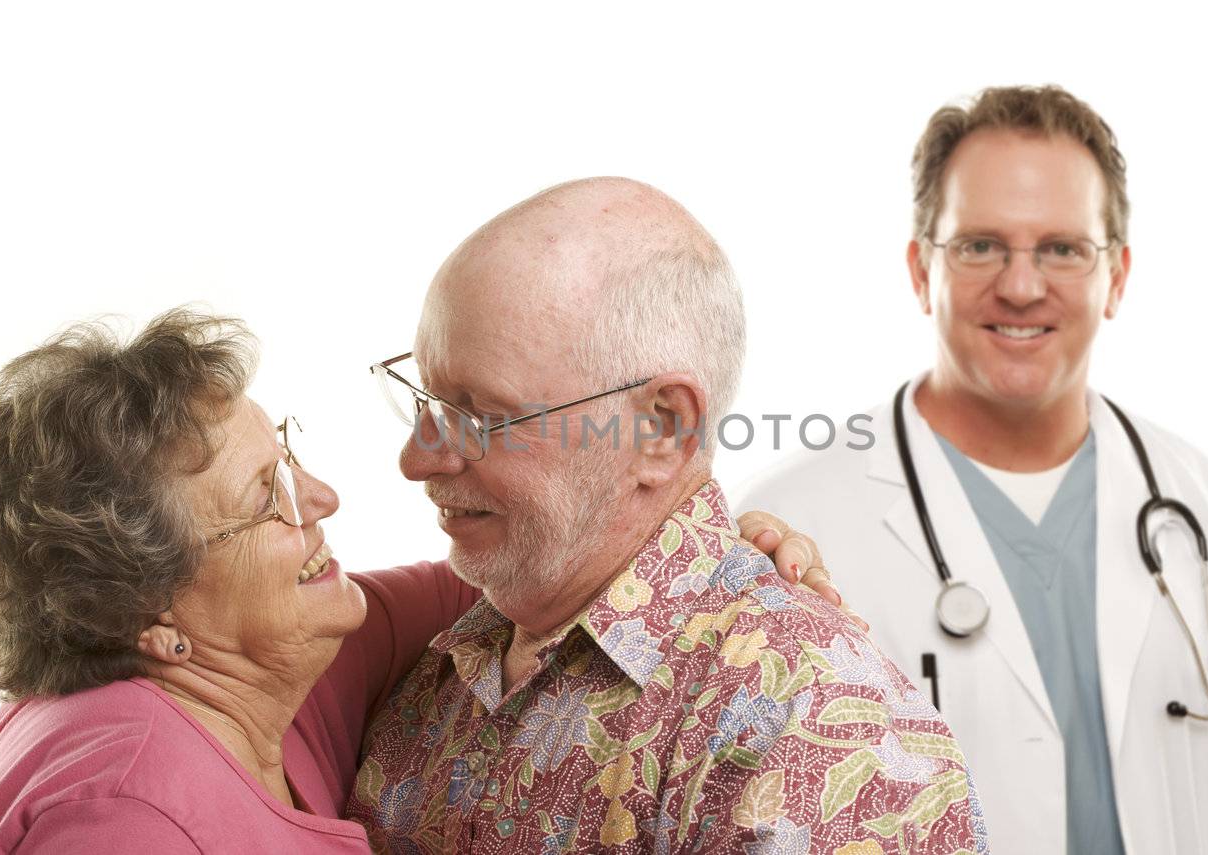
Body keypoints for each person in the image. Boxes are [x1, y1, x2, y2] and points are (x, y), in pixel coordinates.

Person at [0, 309, 830, 853]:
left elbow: (529, 579)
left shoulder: (284, 667)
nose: (322, 496)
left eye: (286, 454)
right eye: (268, 496)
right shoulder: (128, 817)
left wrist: (712, 546)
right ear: (150, 611)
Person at [736, 85, 1208, 854]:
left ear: (1117, 276)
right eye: (980, 245)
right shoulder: (797, 525)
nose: (1022, 286)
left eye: (1062, 248)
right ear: (919, 270)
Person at [347, 177, 985, 853]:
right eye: (427, 398)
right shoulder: (434, 667)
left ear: (660, 428)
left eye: (478, 415)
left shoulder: (814, 729)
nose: (416, 460)